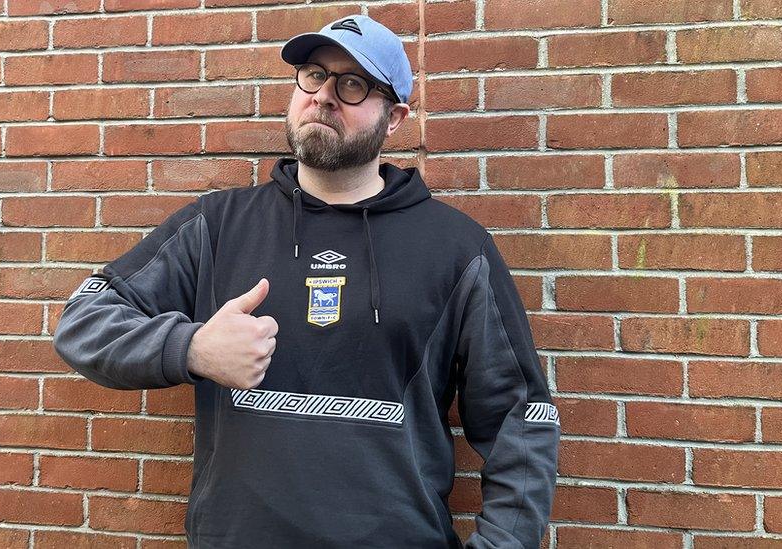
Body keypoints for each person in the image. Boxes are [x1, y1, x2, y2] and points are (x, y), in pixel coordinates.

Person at [53, 14, 560, 549]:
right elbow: (84, 323)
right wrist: (192, 347)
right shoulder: (218, 227)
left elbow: (520, 422)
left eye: (352, 84)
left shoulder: (457, 250)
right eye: (314, 75)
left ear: (395, 118)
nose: (323, 97)